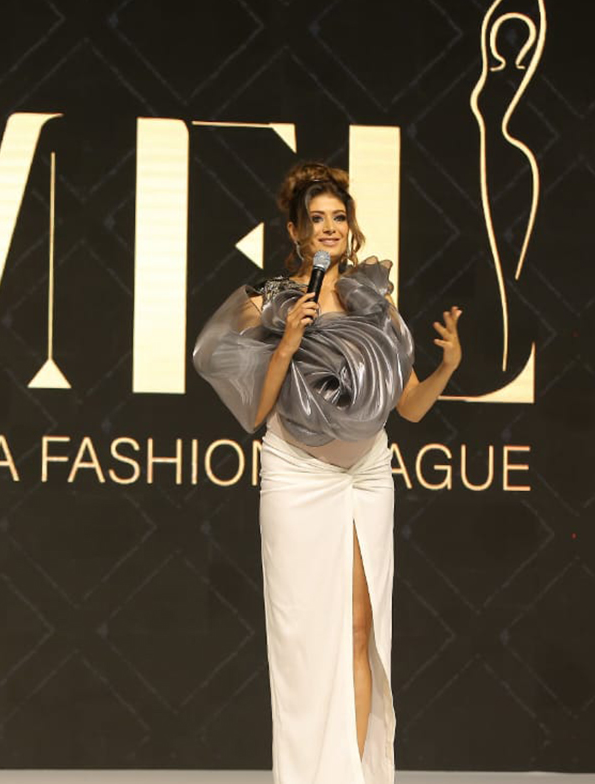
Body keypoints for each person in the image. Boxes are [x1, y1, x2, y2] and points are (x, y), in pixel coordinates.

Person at [193, 162, 462, 784]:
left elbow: (409, 407)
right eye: (316, 219)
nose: (330, 228)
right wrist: (286, 341)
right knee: (306, 642)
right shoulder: (268, 299)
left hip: (366, 476)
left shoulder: (375, 302)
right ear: (296, 231)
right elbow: (254, 411)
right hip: (297, 477)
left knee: (361, 631)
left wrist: (448, 367)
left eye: (339, 217)